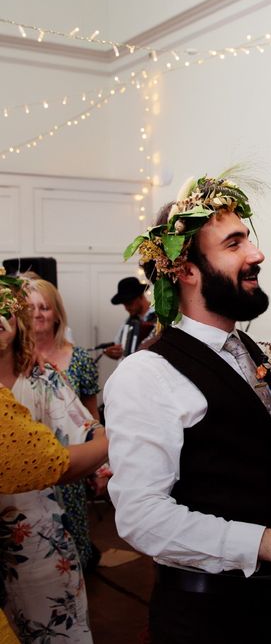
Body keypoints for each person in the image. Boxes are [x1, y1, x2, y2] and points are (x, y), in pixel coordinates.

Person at [104, 171, 271, 643]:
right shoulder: (146, 373)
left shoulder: (251, 352)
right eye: (234, 244)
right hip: (205, 616)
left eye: (248, 241)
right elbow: (142, 516)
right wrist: (266, 542)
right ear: (186, 269)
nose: (256, 255)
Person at [0, 270, 107, 644]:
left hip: (39, 536)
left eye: (6, 312)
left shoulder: (43, 377)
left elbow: (88, 426)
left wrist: (105, 451)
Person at [0, 384, 108, 644]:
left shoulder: (41, 375)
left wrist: (102, 449)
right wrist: (112, 442)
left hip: (43, 532)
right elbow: (48, 460)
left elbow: (83, 423)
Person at [25, 277, 103, 572]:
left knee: (72, 545)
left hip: (71, 465)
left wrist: (99, 467)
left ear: (57, 313)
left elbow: (91, 417)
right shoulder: (12, 359)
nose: (38, 314)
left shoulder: (79, 358)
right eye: (31, 308)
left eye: (44, 307)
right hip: (28, 467)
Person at [103, 276, 156, 360]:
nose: (126, 308)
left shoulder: (160, 317)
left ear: (140, 296)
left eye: (129, 303)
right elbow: (118, 345)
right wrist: (112, 352)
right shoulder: (127, 323)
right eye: (124, 304)